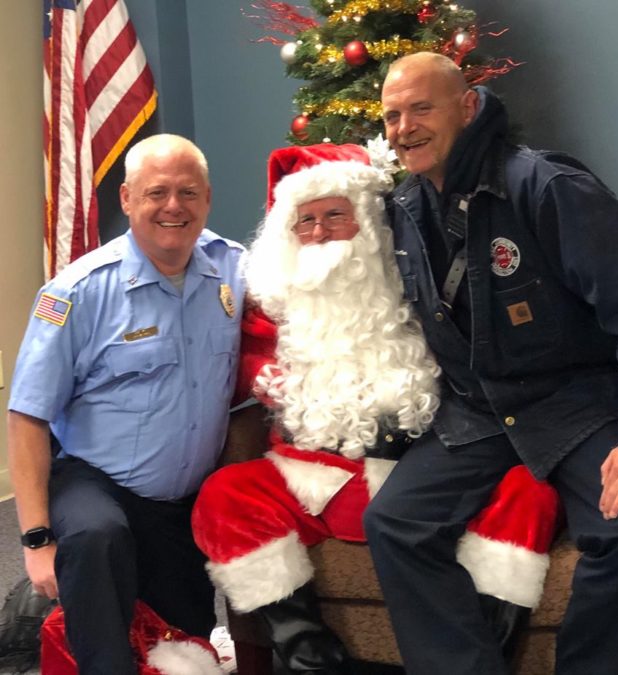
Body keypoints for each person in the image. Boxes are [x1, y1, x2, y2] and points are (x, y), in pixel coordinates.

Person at [362, 51, 618, 675]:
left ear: (467, 107)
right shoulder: (404, 207)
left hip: (577, 405)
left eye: (421, 108)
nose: (404, 128)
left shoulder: (545, 186)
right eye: (392, 116)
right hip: (478, 412)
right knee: (393, 522)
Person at [191, 143, 560, 675]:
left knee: (530, 491)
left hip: (423, 478)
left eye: (335, 215)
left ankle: (477, 657)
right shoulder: (274, 308)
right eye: (305, 221)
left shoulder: (422, 290)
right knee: (225, 495)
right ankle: (312, 659)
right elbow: (239, 365)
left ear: (368, 223)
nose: (319, 232)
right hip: (311, 478)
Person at [7, 134, 245, 674]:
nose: (173, 206)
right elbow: (26, 415)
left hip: (181, 499)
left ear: (207, 198)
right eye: (156, 192)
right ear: (127, 198)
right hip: (93, 480)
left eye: (188, 192)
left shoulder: (233, 270)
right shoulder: (78, 291)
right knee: (98, 541)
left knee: (182, 644)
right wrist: (37, 541)